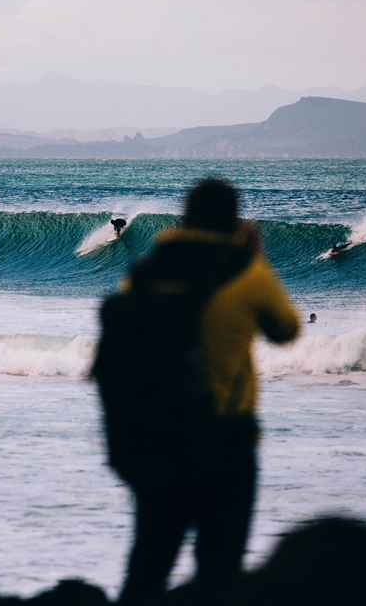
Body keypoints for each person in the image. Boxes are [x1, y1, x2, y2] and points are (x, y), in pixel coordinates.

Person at [113, 178, 299, 603]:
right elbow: (285, 329)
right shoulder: (244, 271)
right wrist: (256, 257)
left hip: (158, 441)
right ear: (233, 221)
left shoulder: (145, 272)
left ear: (185, 215)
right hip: (225, 441)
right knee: (219, 572)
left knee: (148, 567)